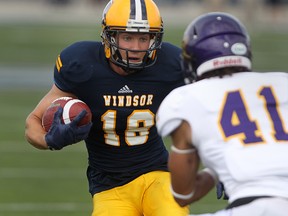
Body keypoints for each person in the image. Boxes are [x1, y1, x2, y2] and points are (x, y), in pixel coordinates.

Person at [25, 0, 189, 215]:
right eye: (128, 37)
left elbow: (212, 109)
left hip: (157, 173)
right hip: (109, 185)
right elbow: (33, 123)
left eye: (144, 38)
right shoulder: (82, 65)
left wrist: (225, 165)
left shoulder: (172, 64)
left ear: (154, 38)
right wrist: (49, 140)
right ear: (109, 36)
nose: (136, 47)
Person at [156, 12, 288, 216]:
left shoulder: (185, 99)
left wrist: (215, 171)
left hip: (257, 207)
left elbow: (183, 194)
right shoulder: (283, 82)